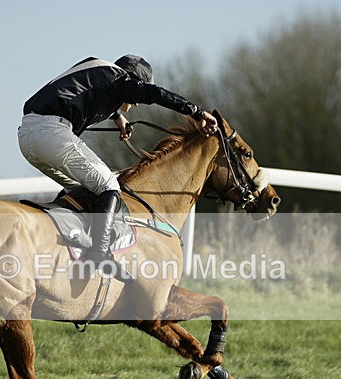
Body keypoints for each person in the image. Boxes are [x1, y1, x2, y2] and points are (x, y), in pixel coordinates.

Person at [18, 54, 218, 281]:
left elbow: (86, 89)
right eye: (135, 98)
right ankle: (99, 253)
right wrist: (197, 113)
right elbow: (156, 95)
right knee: (109, 185)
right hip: (51, 134)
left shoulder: (98, 69)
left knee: (84, 190)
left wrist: (117, 117)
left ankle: (72, 244)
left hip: (27, 136)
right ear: (133, 80)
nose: (134, 104)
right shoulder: (119, 80)